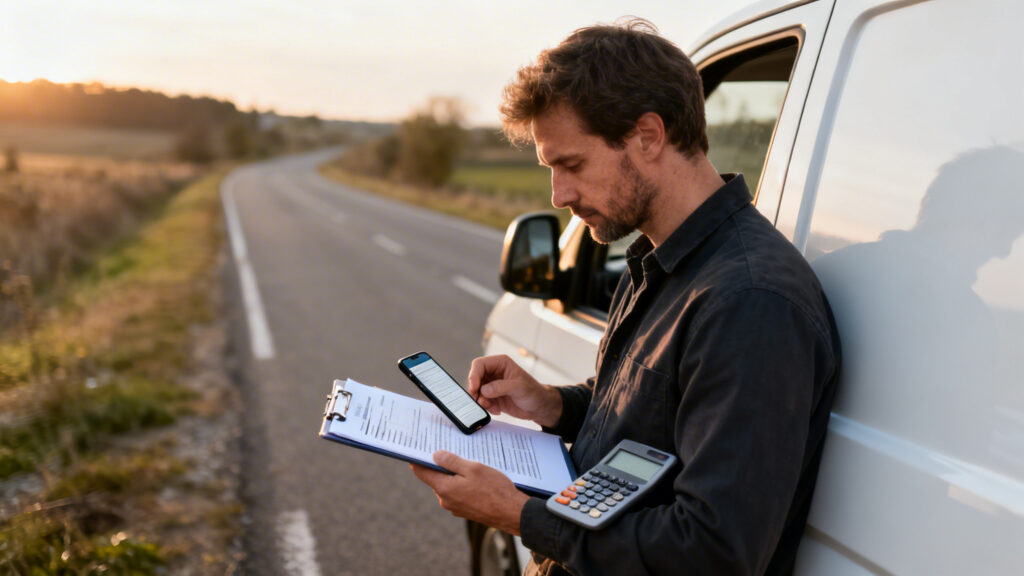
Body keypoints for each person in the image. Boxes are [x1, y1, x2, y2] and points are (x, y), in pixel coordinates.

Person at [411, 18, 841, 576]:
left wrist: (521, 515)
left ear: (648, 136)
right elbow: (658, 414)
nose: (559, 194)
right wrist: (554, 405)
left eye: (572, 164)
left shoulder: (750, 302)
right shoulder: (657, 260)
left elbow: (713, 554)